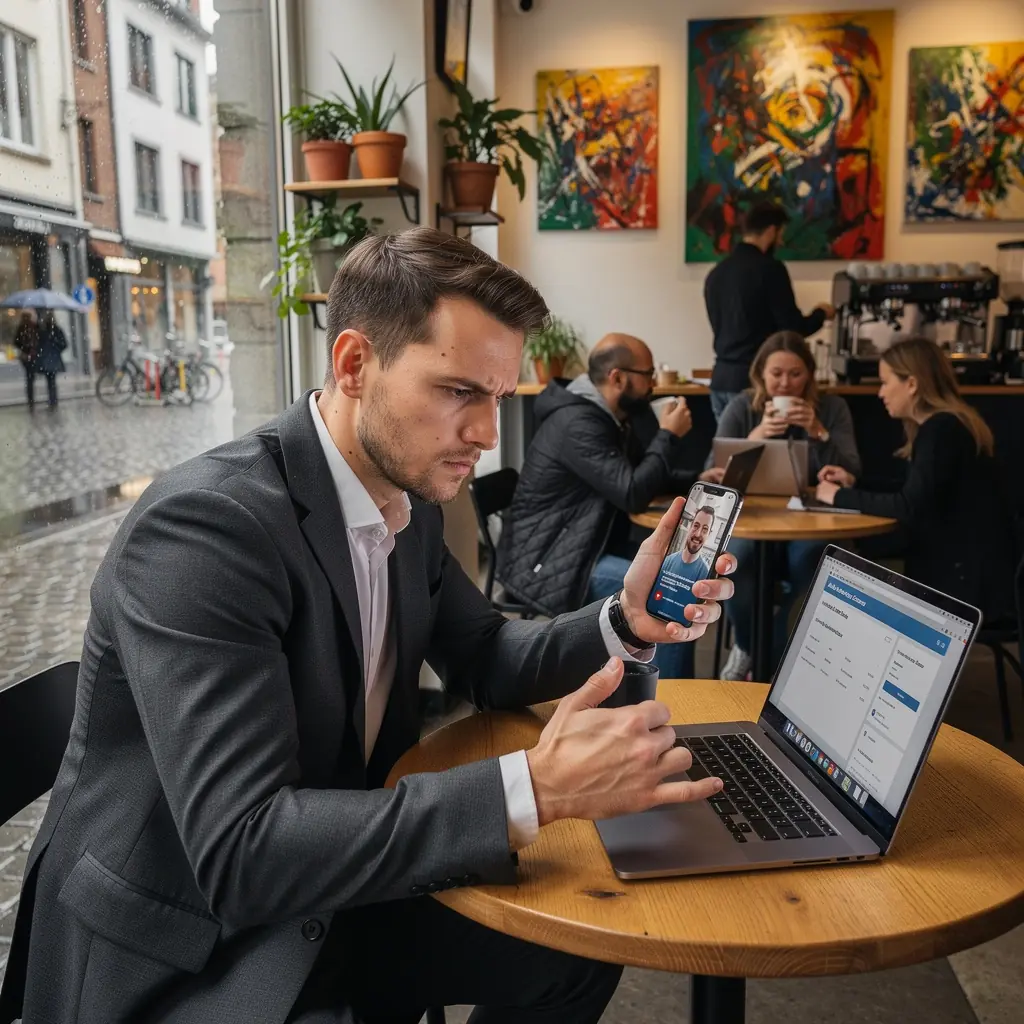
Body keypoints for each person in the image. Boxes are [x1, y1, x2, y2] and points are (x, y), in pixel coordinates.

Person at [1, 228, 739, 1024]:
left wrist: (624, 620)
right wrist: (534, 787)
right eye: (461, 392)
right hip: (192, 950)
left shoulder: (404, 497)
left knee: (577, 952)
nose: (490, 434)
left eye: (498, 396)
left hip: (331, 879)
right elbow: (242, 852)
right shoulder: (206, 531)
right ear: (355, 365)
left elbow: (485, 652)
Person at [497, 332, 719, 681]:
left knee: (677, 588)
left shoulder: (605, 417)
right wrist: (669, 436)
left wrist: (698, 477)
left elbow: (635, 476)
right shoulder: (578, 423)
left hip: (583, 546)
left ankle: (657, 690)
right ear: (618, 378)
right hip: (553, 560)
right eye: (648, 374)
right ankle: (674, 702)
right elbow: (632, 491)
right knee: (674, 597)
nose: (653, 385)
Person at [815, 336, 1015, 623]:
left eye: (885, 382)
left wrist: (837, 497)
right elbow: (914, 491)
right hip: (977, 569)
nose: (880, 393)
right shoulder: (951, 423)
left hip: (963, 582)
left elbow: (909, 507)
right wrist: (854, 483)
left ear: (911, 384)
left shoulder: (940, 430)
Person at [712, 331, 862, 680]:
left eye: (795, 374)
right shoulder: (742, 407)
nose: (785, 383)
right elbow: (714, 471)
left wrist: (818, 431)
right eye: (776, 373)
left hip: (810, 518)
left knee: (813, 558)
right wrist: (757, 436)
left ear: (809, 373)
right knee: (737, 559)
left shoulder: (832, 408)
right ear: (760, 373)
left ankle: (782, 655)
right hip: (751, 517)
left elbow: (853, 470)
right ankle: (753, 648)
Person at [704, 201, 835, 420]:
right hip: (755, 383)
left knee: (729, 452)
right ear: (772, 230)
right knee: (761, 451)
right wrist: (821, 313)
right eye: (781, 233)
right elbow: (792, 329)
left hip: (720, 380)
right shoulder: (771, 269)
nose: (782, 240)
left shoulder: (717, 273)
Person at [658, 505, 715, 594]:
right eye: (696, 526)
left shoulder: (705, 575)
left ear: (709, 534)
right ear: (690, 526)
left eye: (705, 529)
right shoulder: (668, 561)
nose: (698, 534)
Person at [17, 311, 67, 409]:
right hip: (49, 360)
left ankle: (50, 401)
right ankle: (52, 401)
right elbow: (63, 344)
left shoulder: (44, 331)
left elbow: (37, 345)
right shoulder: (46, 331)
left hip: (46, 360)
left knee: (49, 381)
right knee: (51, 381)